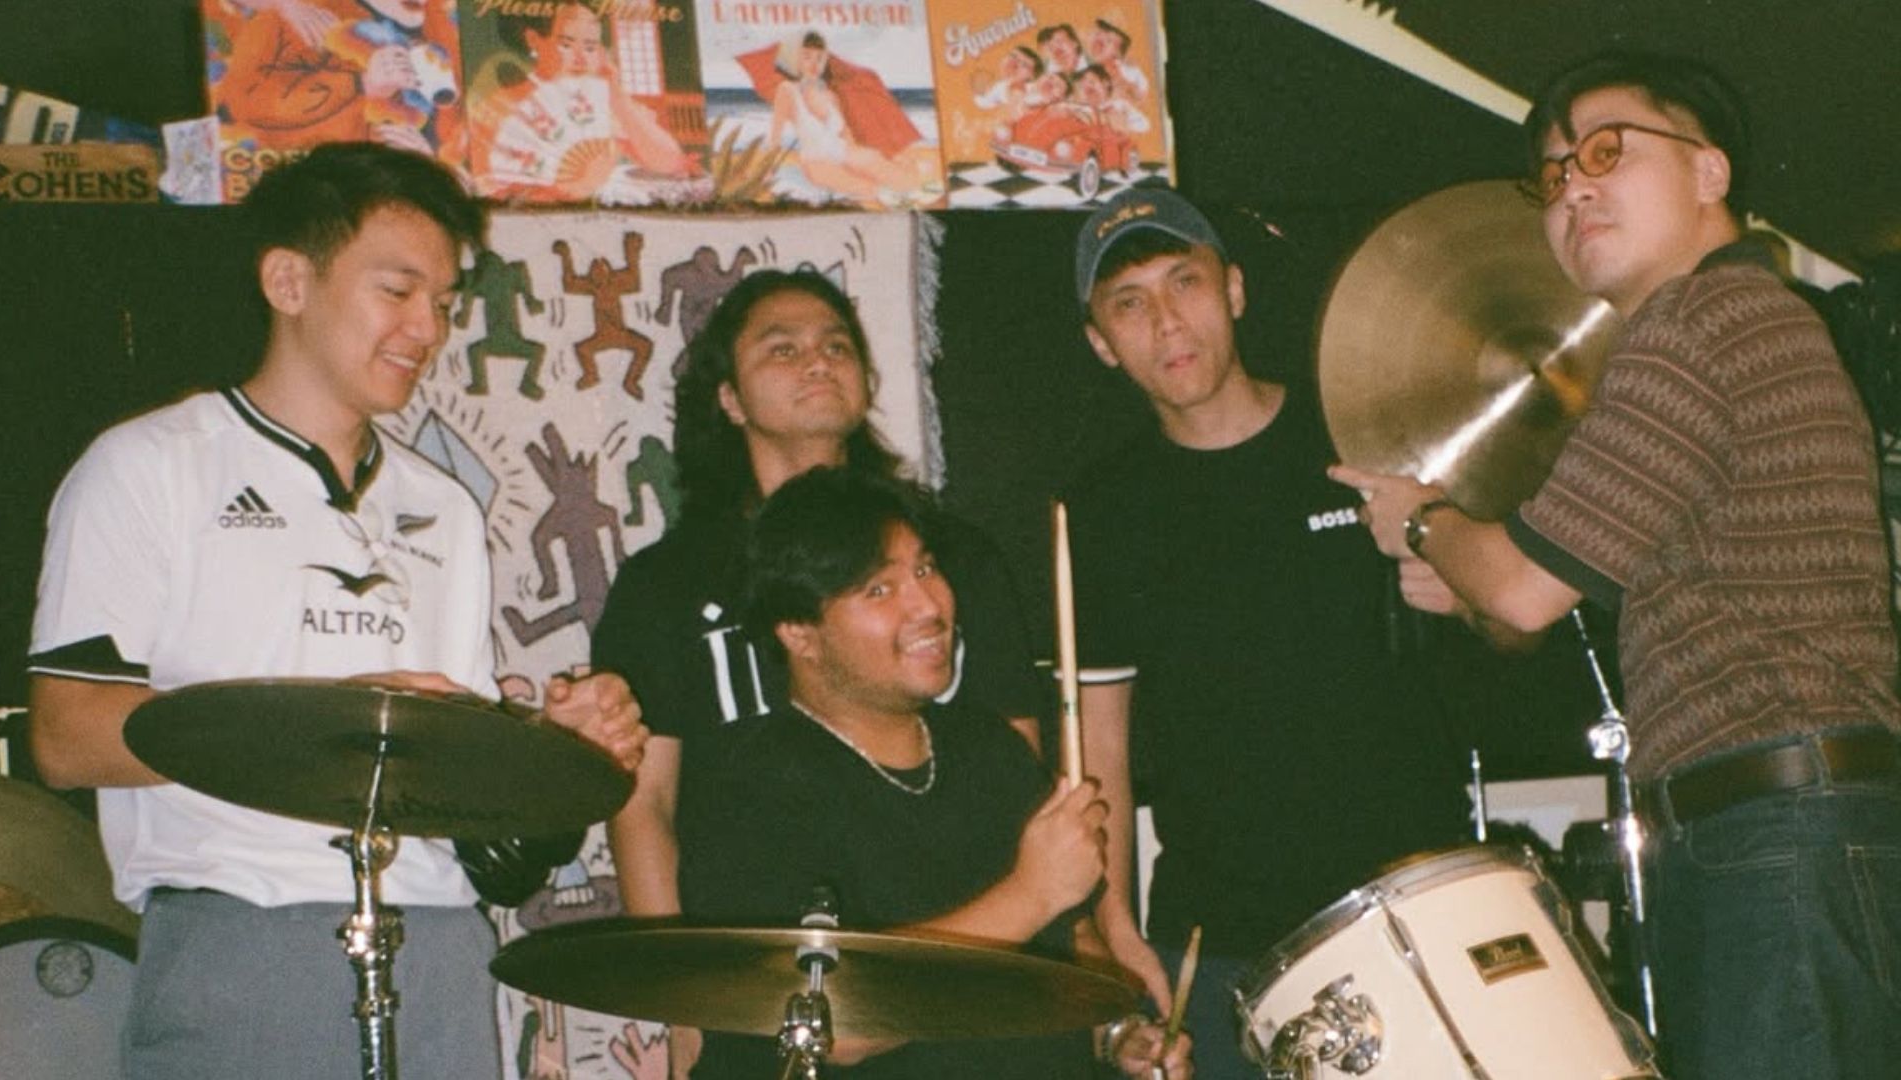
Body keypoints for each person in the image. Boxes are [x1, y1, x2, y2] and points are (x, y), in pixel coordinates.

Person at [1331, 51, 1901, 1080]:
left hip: (1774, 833)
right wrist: (1467, 577)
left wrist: (1420, 522)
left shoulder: (1696, 320)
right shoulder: (1749, 316)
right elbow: (1534, 591)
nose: (1572, 189)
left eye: (1607, 152)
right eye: (1553, 174)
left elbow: (1521, 588)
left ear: (1709, 172)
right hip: (1791, 825)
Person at [25, 141, 648, 1080]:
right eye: (397, 291)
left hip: (443, 945)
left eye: (445, 303)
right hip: (250, 939)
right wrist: (335, 721)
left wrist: (553, 752)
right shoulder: (150, 465)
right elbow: (66, 736)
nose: (426, 329)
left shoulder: (443, 505)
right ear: (288, 281)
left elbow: (471, 827)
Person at [588, 269, 1042, 1075]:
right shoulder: (667, 582)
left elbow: (1020, 774)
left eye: (838, 345)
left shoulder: (954, 557)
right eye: (783, 348)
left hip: (959, 961)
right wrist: (681, 1003)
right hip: (764, 957)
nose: (818, 361)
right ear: (729, 399)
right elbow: (644, 801)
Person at [1063, 186, 1471, 1074]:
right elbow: (1100, 748)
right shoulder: (1102, 513)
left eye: (1185, 282)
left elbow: (1515, 627)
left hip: (1410, 906)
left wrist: (1463, 585)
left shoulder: (1357, 434)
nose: (1167, 323)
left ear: (1235, 290)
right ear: (1100, 342)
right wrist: (1116, 928)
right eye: (1129, 303)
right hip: (1221, 941)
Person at [678, 465, 1191, 1079]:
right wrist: (1029, 894)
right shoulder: (746, 785)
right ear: (799, 633)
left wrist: (1117, 1034)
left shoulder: (989, 749)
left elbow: (1071, 944)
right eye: (879, 589)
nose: (928, 605)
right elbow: (832, 1029)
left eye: (924, 570)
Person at [468, 1, 693, 201]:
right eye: (566, 45)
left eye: (590, 47)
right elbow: (489, 188)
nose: (581, 59)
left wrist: (618, 98)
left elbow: (669, 163)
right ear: (533, 40)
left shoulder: (605, 102)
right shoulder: (500, 107)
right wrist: (559, 190)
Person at [767, 32, 937, 207]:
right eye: (807, 57)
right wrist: (769, 169)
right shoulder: (787, 90)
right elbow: (775, 137)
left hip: (843, 152)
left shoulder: (831, 95)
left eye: (820, 58)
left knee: (879, 163)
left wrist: (872, 158)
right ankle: (896, 194)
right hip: (815, 161)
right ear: (795, 60)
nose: (814, 64)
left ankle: (910, 186)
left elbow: (846, 137)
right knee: (867, 188)